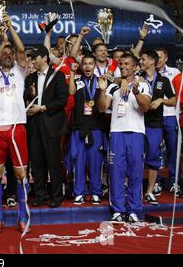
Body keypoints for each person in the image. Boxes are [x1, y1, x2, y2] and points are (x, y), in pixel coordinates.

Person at [0, 15, 30, 235]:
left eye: (10, 54)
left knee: (21, 174)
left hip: (17, 127)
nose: (9, 56)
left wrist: (11, 28)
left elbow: (22, 50)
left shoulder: (20, 72)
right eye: (5, 54)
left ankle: (23, 216)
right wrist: (1, 42)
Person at [97, 53, 151, 223]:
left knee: (135, 173)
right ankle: (118, 210)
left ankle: (134, 209)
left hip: (136, 133)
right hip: (117, 134)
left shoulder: (143, 85)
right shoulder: (113, 87)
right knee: (116, 173)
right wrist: (102, 90)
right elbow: (101, 107)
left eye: (127, 64)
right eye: (121, 64)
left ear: (135, 67)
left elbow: (146, 107)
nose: (123, 66)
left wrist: (135, 92)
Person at [24, 45, 69, 208]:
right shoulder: (30, 78)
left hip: (51, 123)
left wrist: (44, 108)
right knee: (37, 161)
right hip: (34, 124)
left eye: (35, 57)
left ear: (44, 58)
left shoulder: (58, 76)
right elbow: (26, 100)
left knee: (54, 161)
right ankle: (40, 194)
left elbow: (62, 99)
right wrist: (29, 95)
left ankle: (57, 195)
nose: (32, 61)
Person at [67, 54, 105, 205]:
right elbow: (71, 92)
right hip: (80, 128)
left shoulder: (101, 81)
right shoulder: (77, 80)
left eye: (91, 63)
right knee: (79, 162)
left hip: (96, 127)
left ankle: (96, 192)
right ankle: (79, 192)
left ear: (95, 65)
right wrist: (71, 73)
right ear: (82, 66)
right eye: (85, 64)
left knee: (96, 162)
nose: (88, 66)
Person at [140, 50, 175, 205]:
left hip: (155, 125)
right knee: (135, 158)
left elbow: (174, 100)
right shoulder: (137, 78)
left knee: (153, 158)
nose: (141, 62)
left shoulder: (163, 80)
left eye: (144, 59)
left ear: (152, 62)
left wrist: (161, 100)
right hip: (137, 123)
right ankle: (133, 190)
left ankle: (149, 191)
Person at [156, 47, 180, 194]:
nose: (158, 60)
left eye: (160, 57)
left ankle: (173, 182)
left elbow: (178, 95)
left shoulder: (175, 73)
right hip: (155, 116)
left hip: (171, 115)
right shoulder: (149, 73)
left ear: (166, 58)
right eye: (155, 57)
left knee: (173, 150)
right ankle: (156, 182)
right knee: (155, 150)